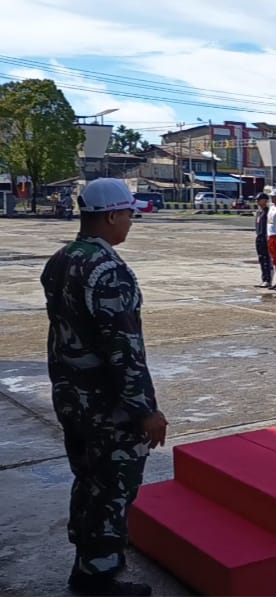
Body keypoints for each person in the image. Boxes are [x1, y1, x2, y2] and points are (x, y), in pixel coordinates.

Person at [40, 178, 167, 596]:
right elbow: (123, 349)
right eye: (129, 214)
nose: (130, 222)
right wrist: (145, 410)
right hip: (107, 407)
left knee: (88, 478)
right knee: (113, 485)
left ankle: (87, 561)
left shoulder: (62, 259)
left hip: (71, 398)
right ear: (111, 215)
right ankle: (100, 575)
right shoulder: (107, 269)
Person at [252, 192, 273, 288]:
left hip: (265, 237)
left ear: (265, 200)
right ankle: (263, 278)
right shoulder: (259, 212)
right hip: (259, 236)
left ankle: (268, 279)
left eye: (259, 199)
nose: (257, 201)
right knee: (261, 258)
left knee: (266, 259)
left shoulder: (267, 212)